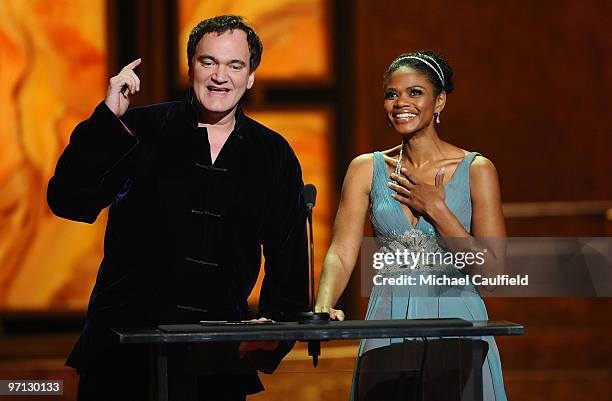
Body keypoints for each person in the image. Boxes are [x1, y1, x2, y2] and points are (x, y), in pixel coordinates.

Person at [47, 15, 308, 401]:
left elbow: (288, 258)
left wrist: (274, 332)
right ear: (191, 68)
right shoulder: (139, 127)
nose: (221, 76)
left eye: (235, 65)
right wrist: (106, 119)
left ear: (251, 76)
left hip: (215, 361)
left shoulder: (272, 153)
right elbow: (68, 199)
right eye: (209, 62)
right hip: (125, 354)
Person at [315, 51, 508, 400]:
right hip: (387, 322)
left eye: (415, 92)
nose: (401, 102)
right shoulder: (365, 168)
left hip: (457, 324)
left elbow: (493, 273)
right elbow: (342, 252)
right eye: (392, 94)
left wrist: (436, 208)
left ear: (440, 101)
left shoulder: (477, 170)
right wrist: (323, 304)